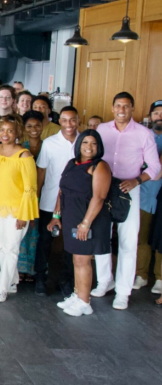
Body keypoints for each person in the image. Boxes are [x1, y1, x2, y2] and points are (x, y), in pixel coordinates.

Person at [93, 92, 161, 309]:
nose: (122, 110)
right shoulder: (102, 129)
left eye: (126, 106)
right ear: (113, 108)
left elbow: (155, 167)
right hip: (103, 187)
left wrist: (136, 181)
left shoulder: (144, 133)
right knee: (101, 237)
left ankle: (123, 291)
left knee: (128, 242)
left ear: (132, 109)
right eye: (118, 106)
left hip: (129, 188)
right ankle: (105, 281)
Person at [47, 130, 112, 316]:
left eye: (93, 143)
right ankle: (77, 295)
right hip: (70, 218)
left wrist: (85, 223)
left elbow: (99, 197)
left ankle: (85, 302)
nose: (89, 147)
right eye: (85, 143)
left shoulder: (100, 166)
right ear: (79, 145)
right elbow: (62, 192)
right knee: (76, 259)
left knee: (83, 260)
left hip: (89, 220)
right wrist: (56, 216)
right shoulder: (72, 163)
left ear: (98, 147)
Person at [0, 115, 39, 302]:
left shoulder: (24, 155)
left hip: (17, 210)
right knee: (1, 247)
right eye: (2, 130)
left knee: (11, 248)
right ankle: (12, 281)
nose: (5, 134)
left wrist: (25, 215)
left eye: (10, 130)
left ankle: (2, 287)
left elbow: (30, 189)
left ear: (17, 133)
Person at [34, 106, 80, 298]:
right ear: (58, 121)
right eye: (64, 120)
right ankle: (40, 279)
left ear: (78, 121)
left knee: (71, 243)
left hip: (75, 203)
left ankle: (66, 280)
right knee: (45, 241)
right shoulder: (50, 143)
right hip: (49, 200)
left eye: (72, 120)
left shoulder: (84, 141)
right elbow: (41, 172)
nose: (68, 124)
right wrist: (35, 198)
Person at [135, 100, 162, 293]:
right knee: (141, 238)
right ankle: (141, 275)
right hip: (143, 195)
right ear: (150, 116)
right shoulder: (143, 137)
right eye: (156, 113)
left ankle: (160, 278)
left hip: (160, 197)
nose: (159, 116)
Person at [17, 110, 44, 282]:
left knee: (38, 233)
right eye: (29, 126)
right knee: (23, 232)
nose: (34, 129)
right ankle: (20, 270)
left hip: (44, 195)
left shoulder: (48, 145)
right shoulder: (20, 148)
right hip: (23, 196)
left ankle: (36, 269)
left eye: (37, 125)